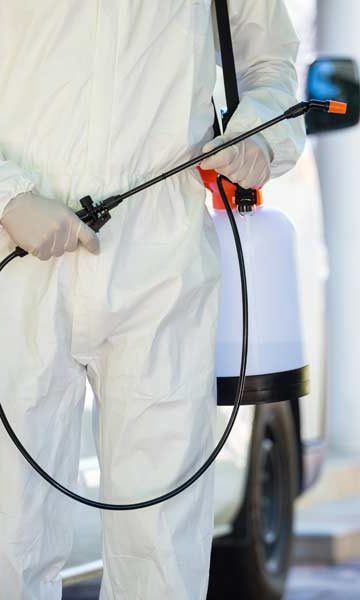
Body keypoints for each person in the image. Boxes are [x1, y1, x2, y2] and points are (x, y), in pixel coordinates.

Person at [0, 1, 305, 599]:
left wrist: (258, 139)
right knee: (9, 540)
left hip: (161, 269)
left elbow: (271, 63)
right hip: (18, 268)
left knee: (161, 554)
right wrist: (7, 196)